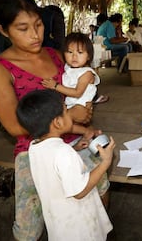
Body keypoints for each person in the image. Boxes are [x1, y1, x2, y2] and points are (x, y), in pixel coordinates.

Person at [0, 0, 109, 240]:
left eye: (38, 25)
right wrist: (70, 117)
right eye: (23, 28)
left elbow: (73, 94)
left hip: (71, 137)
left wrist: (85, 110)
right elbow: (15, 127)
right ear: (3, 30)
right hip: (34, 149)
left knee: (99, 184)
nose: (35, 34)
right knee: (29, 228)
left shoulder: (53, 54)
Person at [16, 89, 114, 240]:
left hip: (59, 223)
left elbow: (51, 162)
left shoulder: (34, 146)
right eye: (66, 111)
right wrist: (105, 162)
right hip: (79, 227)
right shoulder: (63, 153)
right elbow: (80, 191)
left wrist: (73, 149)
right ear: (58, 122)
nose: (69, 114)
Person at [42, 32, 108, 137]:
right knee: (65, 123)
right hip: (71, 103)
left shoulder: (86, 73)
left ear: (88, 56)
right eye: (69, 52)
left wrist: (55, 86)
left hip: (80, 104)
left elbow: (77, 93)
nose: (74, 56)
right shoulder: (68, 68)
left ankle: (87, 133)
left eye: (80, 52)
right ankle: (89, 132)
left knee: (63, 122)